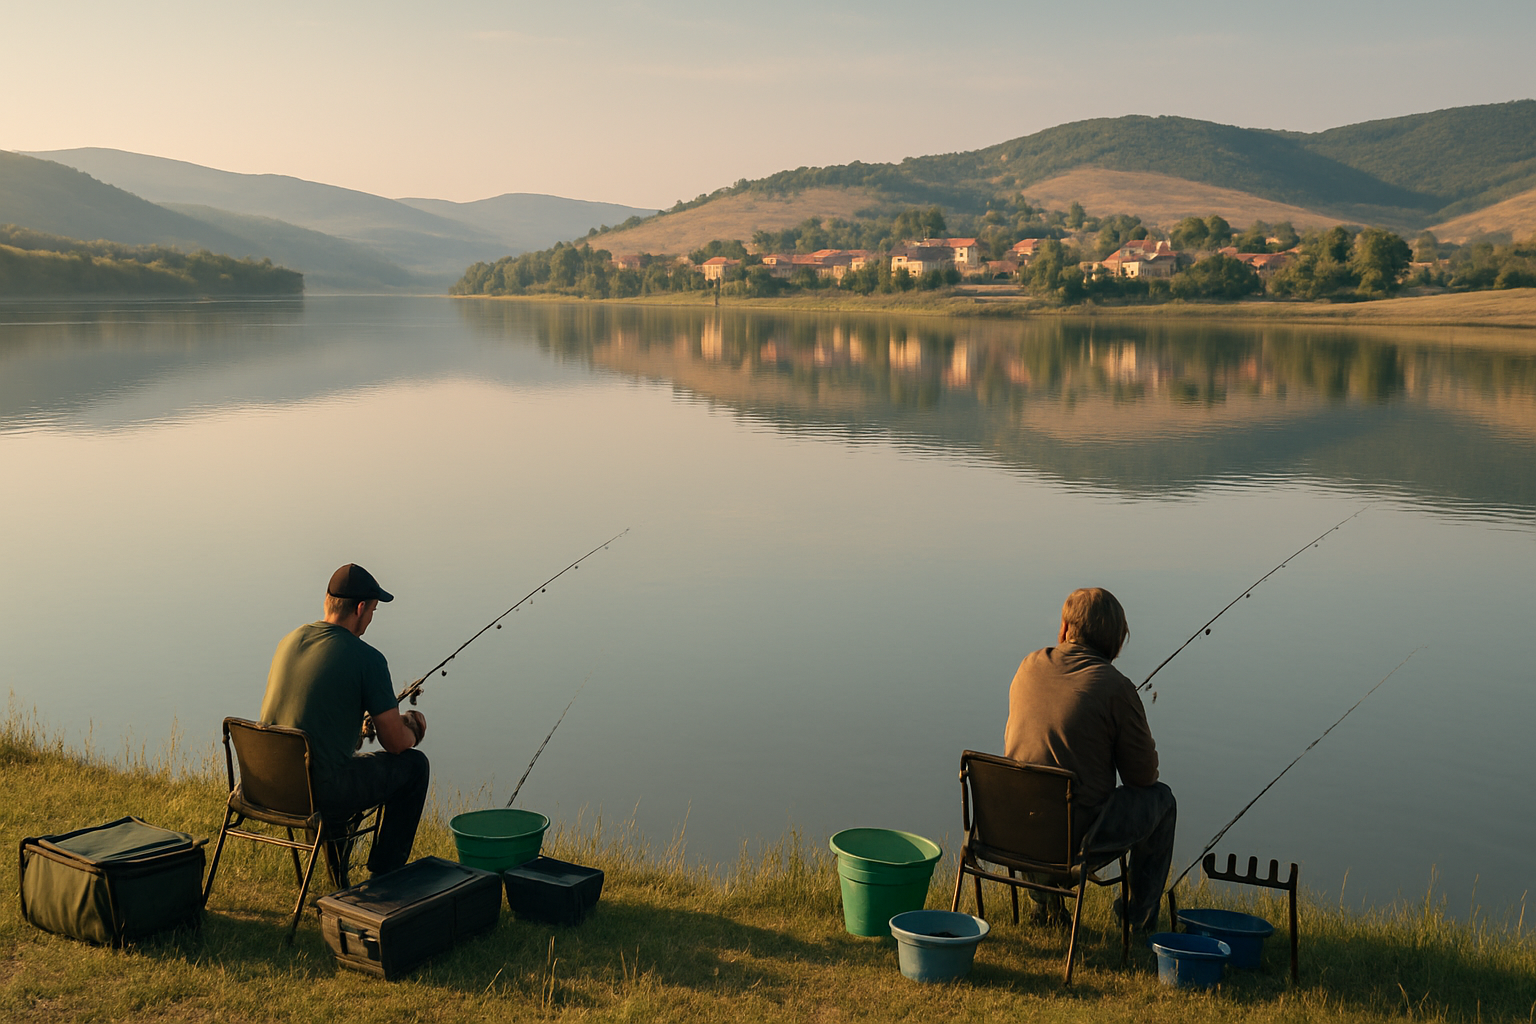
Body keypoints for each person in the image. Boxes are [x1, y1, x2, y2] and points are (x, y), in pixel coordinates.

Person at [1004, 587, 1176, 931]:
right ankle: (1137, 921)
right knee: (1163, 801)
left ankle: (1046, 908)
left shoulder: (1028, 665)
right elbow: (1142, 778)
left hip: (1010, 828)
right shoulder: (1116, 687)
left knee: (1041, 787)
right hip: (1074, 842)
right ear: (1115, 644)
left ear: (1065, 629)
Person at [260, 563, 429, 883]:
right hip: (317, 794)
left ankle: (338, 866)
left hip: (266, 785)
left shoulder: (290, 640)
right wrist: (413, 727)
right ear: (361, 608)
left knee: (336, 765)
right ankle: (386, 875)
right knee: (415, 767)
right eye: (374, 611)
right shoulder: (368, 659)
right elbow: (394, 743)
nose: (371, 619)